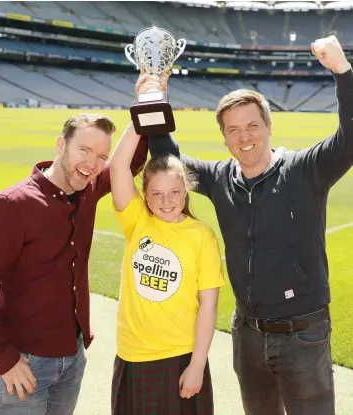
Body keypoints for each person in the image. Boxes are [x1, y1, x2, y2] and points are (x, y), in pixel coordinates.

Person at [142, 35, 353, 414]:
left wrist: (342, 72)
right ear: (224, 138)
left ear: (269, 126)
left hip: (303, 334)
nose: (244, 137)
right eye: (233, 130)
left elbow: (349, 140)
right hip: (248, 334)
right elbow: (168, 156)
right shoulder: (220, 177)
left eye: (252, 126)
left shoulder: (305, 170)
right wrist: (156, 98)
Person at [0, 113, 148, 414]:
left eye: (101, 156)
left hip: (72, 358)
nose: (92, 164)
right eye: (84, 150)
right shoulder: (13, 204)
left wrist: (148, 100)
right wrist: (4, 358)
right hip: (24, 363)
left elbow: (128, 163)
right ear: (61, 144)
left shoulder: (88, 188)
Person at [109, 121, 225, 415]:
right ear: (145, 194)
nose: (166, 201)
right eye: (156, 193)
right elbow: (118, 167)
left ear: (186, 190)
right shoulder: (137, 220)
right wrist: (140, 111)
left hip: (180, 356)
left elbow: (208, 306)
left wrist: (197, 366)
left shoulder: (202, 236)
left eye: (174, 192)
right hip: (132, 354)